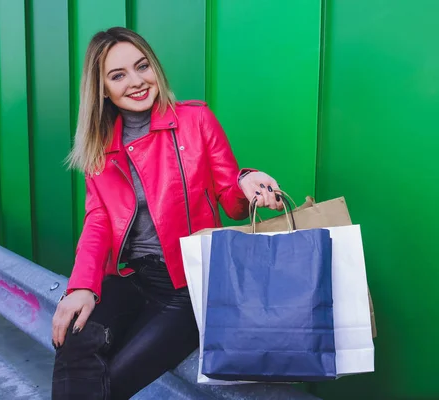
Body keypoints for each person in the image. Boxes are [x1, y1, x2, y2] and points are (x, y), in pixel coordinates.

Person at [50, 27, 283, 399]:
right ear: (102, 89)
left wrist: (245, 181)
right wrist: (82, 287)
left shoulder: (195, 120)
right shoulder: (99, 147)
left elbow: (230, 199)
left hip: (186, 288)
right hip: (132, 279)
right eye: (118, 75)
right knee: (74, 343)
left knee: (109, 384)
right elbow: (97, 222)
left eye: (142, 66)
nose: (137, 81)